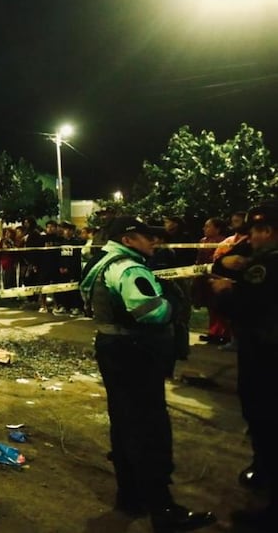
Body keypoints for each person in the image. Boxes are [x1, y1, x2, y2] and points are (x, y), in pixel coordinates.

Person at [79, 216, 215, 532]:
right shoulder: (129, 268)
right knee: (150, 429)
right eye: (146, 236)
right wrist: (172, 305)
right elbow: (150, 312)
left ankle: (130, 496)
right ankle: (163, 509)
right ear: (127, 240)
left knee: (124, 423)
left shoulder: (102, 261)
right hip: (135, 353)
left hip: (113, 348)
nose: (154, 241)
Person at [209, 202, 278, 531]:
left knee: (265, 420)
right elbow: (226, 260)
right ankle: (263, 472)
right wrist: (226, 264)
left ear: (267, 231)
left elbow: (245, 307)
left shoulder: (266, 264)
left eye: (255, 231)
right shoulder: (260, 259)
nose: (250, 238)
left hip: (265, 354)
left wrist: (226, 291)